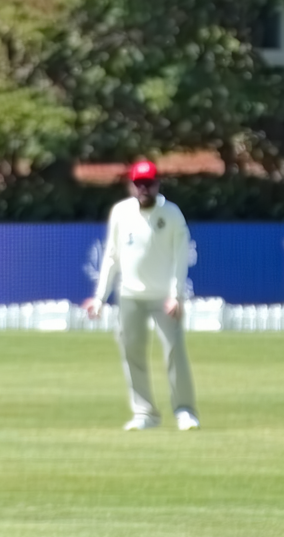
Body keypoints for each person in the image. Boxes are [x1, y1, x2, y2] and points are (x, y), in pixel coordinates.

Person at [84, 159, 199, 431]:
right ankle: (145, 413)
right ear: (132, 185)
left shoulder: (171, 214)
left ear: (157, 184)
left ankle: (184, 410)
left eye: (149, 183)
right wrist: (99, 298)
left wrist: (176, 295)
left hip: (165, 297)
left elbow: (180, 256)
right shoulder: (121, 212)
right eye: (139, 184)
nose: (144, 188)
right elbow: (111, 256)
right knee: (132, 353)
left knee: (174, 352)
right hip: (130, 295)